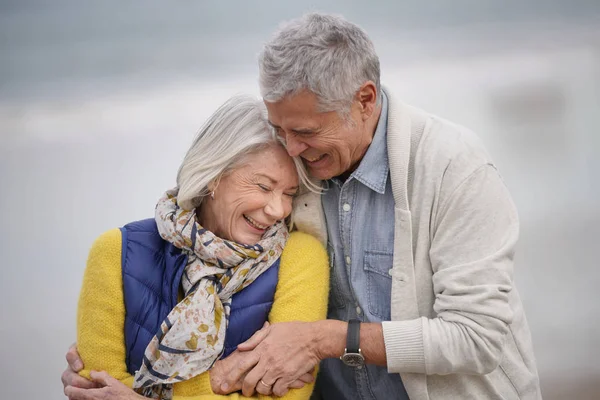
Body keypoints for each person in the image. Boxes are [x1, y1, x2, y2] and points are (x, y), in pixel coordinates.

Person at [63, 13, 543, 400]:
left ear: (365, 100)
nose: (290, 151)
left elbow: (477, 337)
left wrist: (327, 337)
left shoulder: (454, 168)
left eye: (306, 132)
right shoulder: (297, 169)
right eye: (279, 130)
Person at [62, 94, 329, 400]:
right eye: (264, 186)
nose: (278, 210)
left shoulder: (299, 256)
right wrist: (222, 383)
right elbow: (95, 387)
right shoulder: (115, 250)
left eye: (289, 193)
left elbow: (287, 397)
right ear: (213, 176)